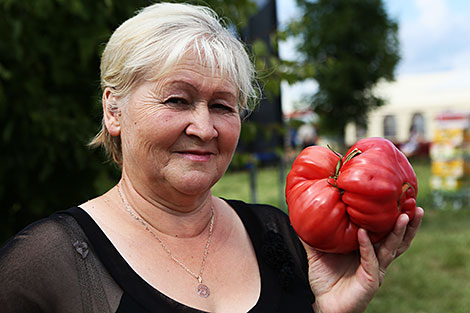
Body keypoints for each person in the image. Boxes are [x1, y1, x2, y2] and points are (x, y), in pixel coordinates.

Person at [0, 3, 423, 313]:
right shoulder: (45, 265)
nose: (204, 128)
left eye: (223, 106)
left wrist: (327, 311)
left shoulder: (279, 236)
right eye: (177, 99)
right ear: (114, 110)